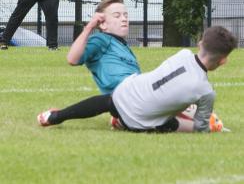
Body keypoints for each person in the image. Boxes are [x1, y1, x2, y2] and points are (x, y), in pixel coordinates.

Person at [37, 26, 237, 133]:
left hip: (126, 92)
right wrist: (206, 124)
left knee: (108, 101)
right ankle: (123, 124)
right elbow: (199, 129)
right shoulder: (206, 92)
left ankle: (56, 116)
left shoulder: (182, 53)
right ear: (223, 61)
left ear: (200, 43)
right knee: (175, 123)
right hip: (140, 121)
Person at [66, 0, 141, 95]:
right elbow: (72, 59)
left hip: (138, 92)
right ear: (103, 24)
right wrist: (89, 27)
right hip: (126, 95)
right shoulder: (101, 40)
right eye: (117, 16)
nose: (124, 19)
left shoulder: (124, 46)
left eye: (125, 15)